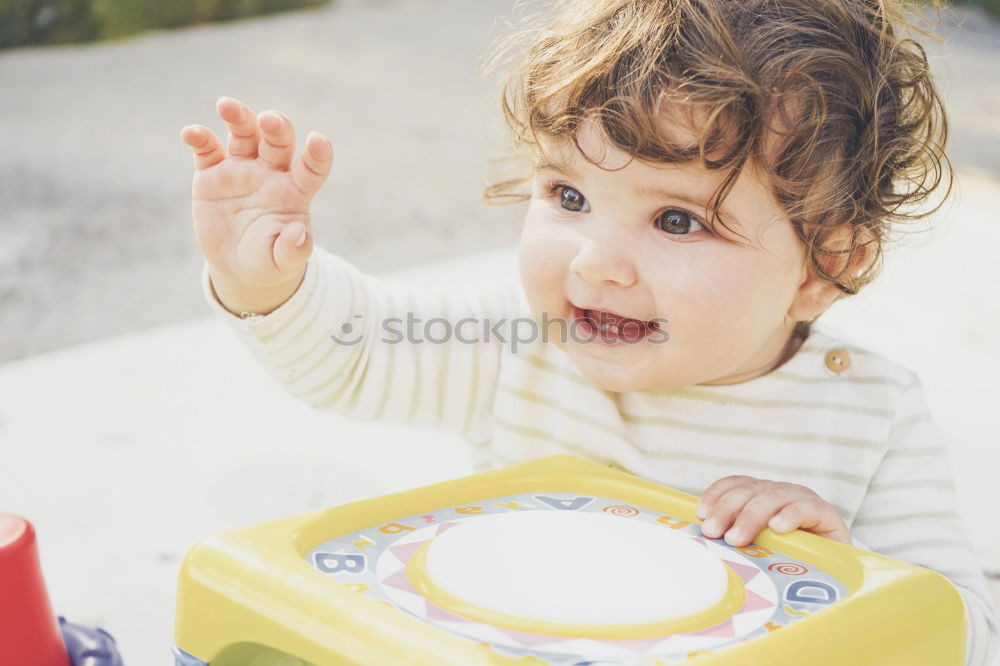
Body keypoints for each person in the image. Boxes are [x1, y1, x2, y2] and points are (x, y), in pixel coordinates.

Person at [179, 0, 997, 662]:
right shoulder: (521, 344)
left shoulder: (869, 415)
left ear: (825, 265)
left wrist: (849, 564)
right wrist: (268, 281)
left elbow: (965, 631)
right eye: (568, 197)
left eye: (677, 220)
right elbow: (354, 357)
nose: (597, 263)